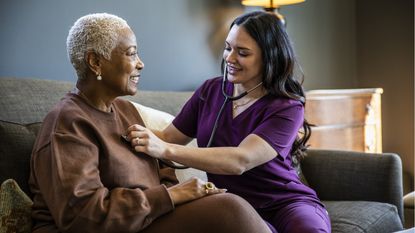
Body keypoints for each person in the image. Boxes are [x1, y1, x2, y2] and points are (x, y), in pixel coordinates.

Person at [28, 13, 272, 233]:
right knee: (230, 211)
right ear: (95, 62)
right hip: (113, 226)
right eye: (131, 53)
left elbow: (162, 172)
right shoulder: (68, 122)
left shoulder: (125, 110)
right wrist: (170, 196)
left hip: (149, 218)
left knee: (233, 210)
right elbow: (84, 217)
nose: (140, 63)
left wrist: (183, 195)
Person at [126, 11, 331, 233]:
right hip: (233, 207)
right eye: (227, 48)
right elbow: (168, 136)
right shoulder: (210, 91)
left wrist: (166, 150)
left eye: (242, 52)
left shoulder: (287, 107)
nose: (230, 58)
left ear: (269, 56)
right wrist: (116, 127)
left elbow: (240, 160)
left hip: (286, 203)